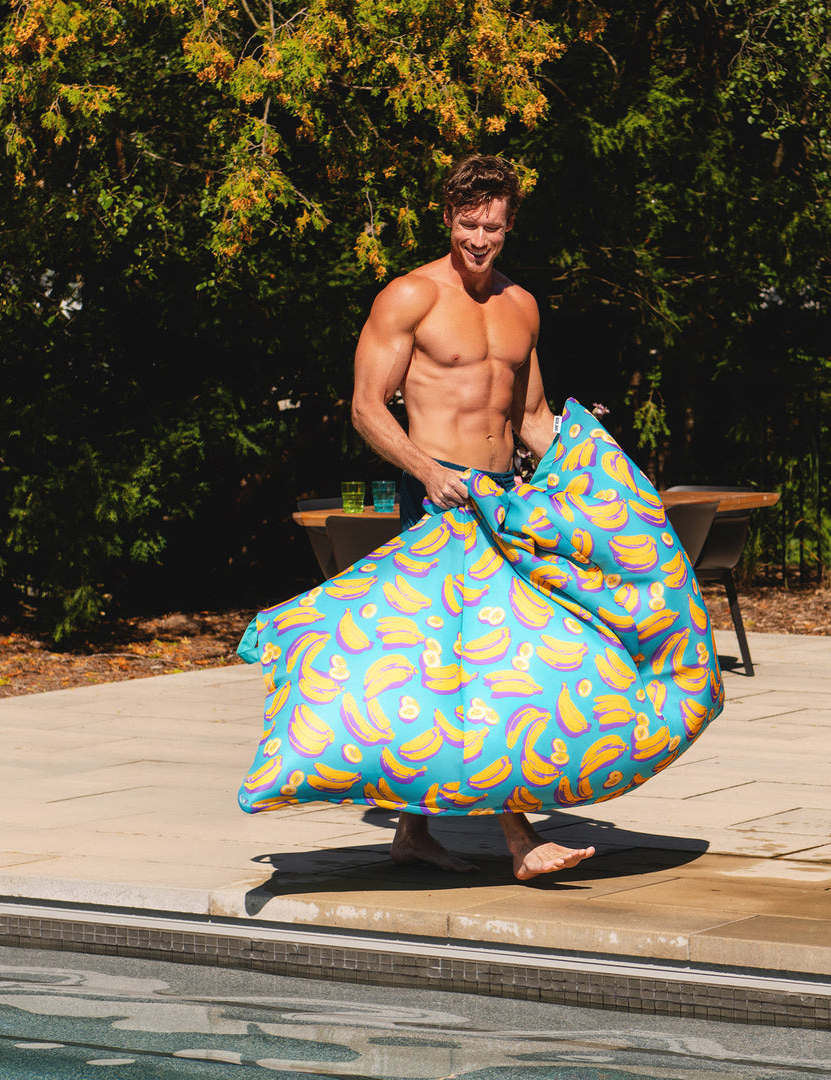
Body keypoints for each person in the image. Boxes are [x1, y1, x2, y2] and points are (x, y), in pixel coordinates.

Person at [351, 154, 595, 881]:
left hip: (501, 505)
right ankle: (521, 841)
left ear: (510, 223)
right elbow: (366, 408)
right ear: (447, 219)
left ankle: (413, 831)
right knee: (486, 669)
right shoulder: (411, 297)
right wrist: (427, 470)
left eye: (492, 226)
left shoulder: (522, 307)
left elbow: (533, 419)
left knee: (451, 668)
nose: (479, 239)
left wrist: (595, 483)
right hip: (437, 506)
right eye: (466, 225)